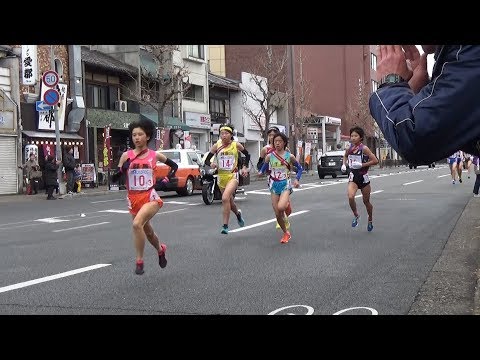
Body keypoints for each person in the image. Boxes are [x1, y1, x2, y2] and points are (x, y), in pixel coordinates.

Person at [369, 45, 480, 165]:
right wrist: (423, 99)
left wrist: (390, 81)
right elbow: (457, 126)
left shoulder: (468, 53)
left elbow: (415, 139)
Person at [110, 118, 179, 275]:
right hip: (133, 199)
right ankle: (160, 249)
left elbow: (174, 166)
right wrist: (122, 170)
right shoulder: (126, 156)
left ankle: (139, 261)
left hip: (150, 197)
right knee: (147, 232)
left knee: (136, 225)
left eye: (140, 134)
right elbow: (114, 179)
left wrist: (166, 181)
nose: (136, 138)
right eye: (134, 135)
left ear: (147, 136)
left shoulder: (155, 155)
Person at [203, 124, 250, 234]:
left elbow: (247, 155)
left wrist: (243, 167)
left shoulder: (236, 145)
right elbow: (207, 161)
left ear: (231, 135)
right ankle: (238, 214)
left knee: (224, 198)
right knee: (230, 202)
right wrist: (212, 164)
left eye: (226, 133)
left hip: (233, 176)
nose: (224, 136)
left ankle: (225, 226)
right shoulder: (216, 146)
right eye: (222, 133)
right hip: (221, 177)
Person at [258, 132, 303, 244]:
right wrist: (259, 172)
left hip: (285, 184)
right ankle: (286, 233)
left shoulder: (289, 156)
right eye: (275, 141)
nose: (277, 143)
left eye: (279, 141)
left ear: (284, 143)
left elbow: (300, 168)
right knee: (277, 213)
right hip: (273, 184)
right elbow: (263, 169)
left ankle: (287, 207)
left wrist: (297, 179)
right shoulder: (269, 156)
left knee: (281, 206)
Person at [341, 126, 379, 232]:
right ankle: (356, 215)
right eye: (352, 136)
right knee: (350, 196)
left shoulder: (364, 149)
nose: (353, 138)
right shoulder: (350, 148)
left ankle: (370, 219)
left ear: (361, 137)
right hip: (353, 176)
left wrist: (362, 165)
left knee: (366, 201)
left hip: (363, 177)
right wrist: (344, 165)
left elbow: (375, 161)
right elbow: (345, 155)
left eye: (355, 136)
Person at [257, 126, 293, 227]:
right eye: (270, 135)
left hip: (284, 178)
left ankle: (285, 207)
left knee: (282, 200)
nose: (272, 137)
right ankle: (281, 218)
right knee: (276, 202)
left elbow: (289, 162)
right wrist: (261, 171)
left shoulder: (286, 150)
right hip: (271, 177)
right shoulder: (265, 149)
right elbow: (260, 163)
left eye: (274, 135)